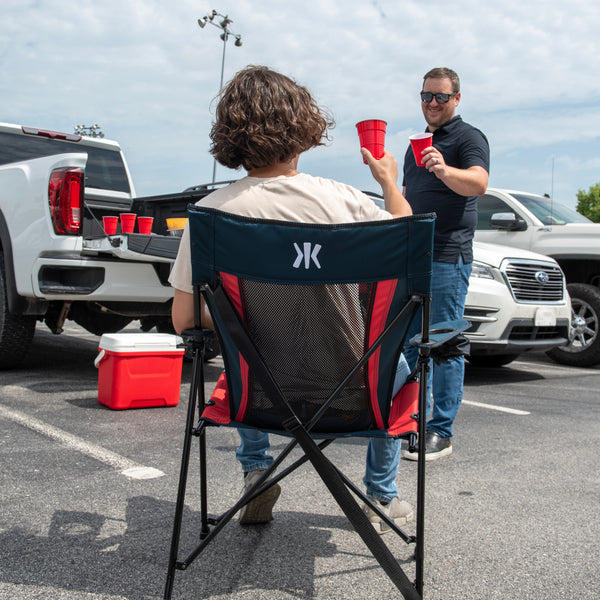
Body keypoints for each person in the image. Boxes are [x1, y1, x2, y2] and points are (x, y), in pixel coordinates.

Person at [169, 65, 414, 533]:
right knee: (397, 366)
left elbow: (184, 319)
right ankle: (381, 495)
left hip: (262, 395)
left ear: (230, 136)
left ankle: (257, 469)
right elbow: (405, 234)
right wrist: (389, 182)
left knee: (244, 345)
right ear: (303, 131)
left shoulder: (211, 217)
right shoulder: (345, 202)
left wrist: (241, 312)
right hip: (355, 393)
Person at [401, 67, 490, 461]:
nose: (432, 104)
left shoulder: (469, 137)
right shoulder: (414, 144)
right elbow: (406, 198)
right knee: (408, 344)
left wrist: (443, 168)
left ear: (457, 99)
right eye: (426, 96)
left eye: (440, 97)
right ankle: (409, 421)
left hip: (447, 255)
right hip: (412, 254)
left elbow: (479, 182)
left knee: (445, 343)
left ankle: (441, 431)